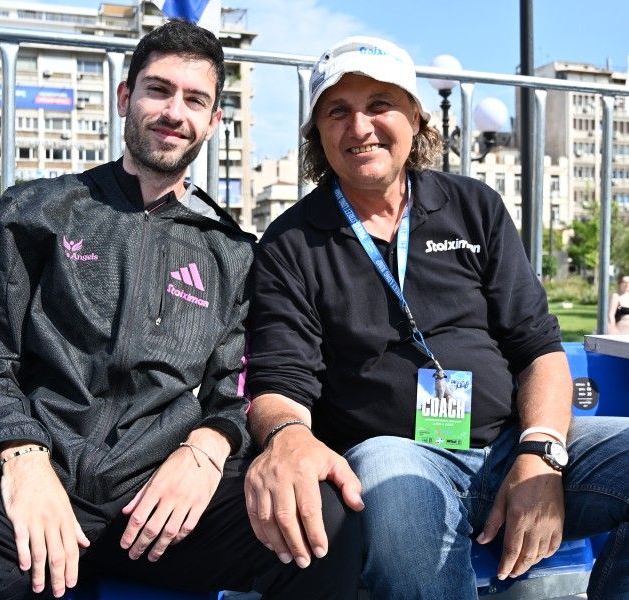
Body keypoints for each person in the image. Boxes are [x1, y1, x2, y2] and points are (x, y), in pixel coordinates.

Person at [0, 20, 360, 600]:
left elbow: (236, 388)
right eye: (158, 90)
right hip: (32, 475)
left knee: (324, 525)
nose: (173, 112)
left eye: (195, 100)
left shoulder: (232, 252)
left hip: (161, 498)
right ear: (124, 97)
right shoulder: (35, 211)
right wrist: (24, 454)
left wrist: (206, 449)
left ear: (214, 122)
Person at [244, 36, 629, 600]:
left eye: (380, 105)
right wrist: (285, 436)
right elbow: (281, 382)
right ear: (317, 133)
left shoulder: (474, 206)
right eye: (337, 111)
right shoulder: (289, 243)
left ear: (417, 118)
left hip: (512, 443)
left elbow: (539, 349)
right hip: (398, 460)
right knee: (391, 480)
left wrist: (541, 451)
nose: (359, 126)